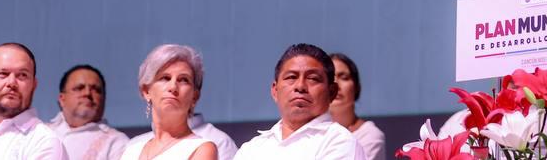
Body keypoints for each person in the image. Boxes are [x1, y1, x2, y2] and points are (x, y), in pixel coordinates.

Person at [234, 44, 365, 160]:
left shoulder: (339, 142)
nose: (300, 86)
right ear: (275, 90)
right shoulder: (251, 149)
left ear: (332, 92)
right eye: (291, 77)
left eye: (312, 78)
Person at [119, 46, 216, 160]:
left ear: (194, 96)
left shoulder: (201, 149)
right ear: (146, 91)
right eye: (165, 78)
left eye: (183, 80)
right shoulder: (131, 151)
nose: (173, 87)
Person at [48, 65, 129, 160]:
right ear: (62, 99)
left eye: (96, 90)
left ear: (104, 98)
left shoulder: (117, 143)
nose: (87, 93)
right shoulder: (39, 133)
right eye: (79, 88)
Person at [326, 56, 383, 160]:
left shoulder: (370, 135)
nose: (336, 84)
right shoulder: (309, 130)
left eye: (344, 77)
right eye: (329, 78)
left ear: (357, 87)